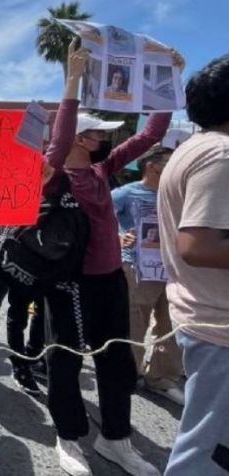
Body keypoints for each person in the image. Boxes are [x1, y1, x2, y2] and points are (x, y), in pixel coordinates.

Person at [43, 43, 180, 476]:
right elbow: (58, 140)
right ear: (81, 138)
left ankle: (115, 438)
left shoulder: (103, 171)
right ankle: (67, 437)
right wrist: (72, 80)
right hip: (69, 284)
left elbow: (150, 136)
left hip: (110, 279)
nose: (107, 140)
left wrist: (166, 83)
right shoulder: (53, 174)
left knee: (116, 362)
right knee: (65, 360)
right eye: (100, 134)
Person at [158, 53, 229, 476]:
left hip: (206, 320)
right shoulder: (220, 155)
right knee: (206, 458)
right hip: (218, 328)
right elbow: (198, 246)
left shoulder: (196, 149)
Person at [112, 145, 184, 406]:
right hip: (138, 268)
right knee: (136, 323)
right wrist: (118, 237)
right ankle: (131, 373)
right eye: (169, 161)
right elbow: (98, 218)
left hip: (175, 269)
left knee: (173, 324)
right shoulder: (125, 193)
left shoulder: (179, 194)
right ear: (152, 166)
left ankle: (162, 379)